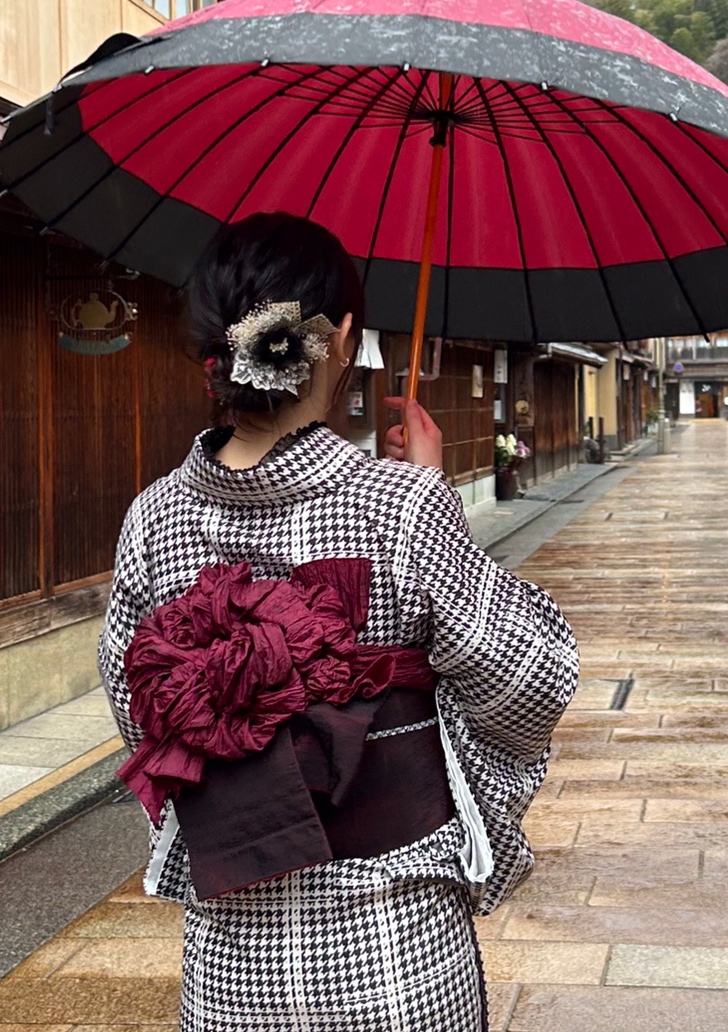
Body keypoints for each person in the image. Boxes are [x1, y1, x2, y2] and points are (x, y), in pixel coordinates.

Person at [99, 212, 578, 1032]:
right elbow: (527, 685)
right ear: (345, 337)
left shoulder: (154, 516)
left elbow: (136, 710)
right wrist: (434, 514)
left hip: (231, 961)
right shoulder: (402, 503)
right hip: (394, 949)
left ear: (216, 352)